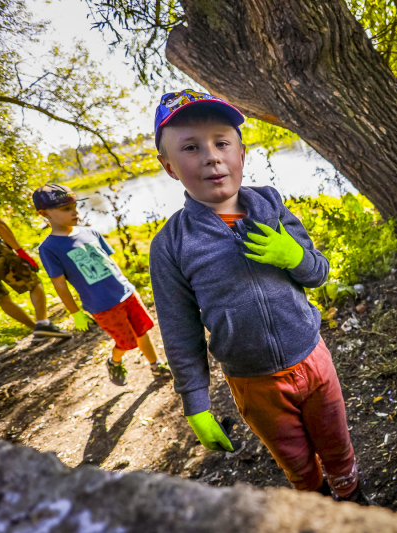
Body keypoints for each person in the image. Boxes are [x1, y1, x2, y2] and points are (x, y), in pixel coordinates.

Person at [149, 90, 369, 503]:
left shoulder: (269, 204)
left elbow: (318, 272)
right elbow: (180, 331)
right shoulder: (171, 245)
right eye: (191, 148)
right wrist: (195, 401)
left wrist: (295, 255)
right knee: (299, 465)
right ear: (169, 167)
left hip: (313, 359)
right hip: (254, 384)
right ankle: (319, 509)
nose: (211, 157)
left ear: (241, 154)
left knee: (338, 449)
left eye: (221, 142)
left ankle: (356, 502)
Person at [34, 184, 171, 385]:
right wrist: (75, 312)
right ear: (44, 213)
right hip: (103, 306)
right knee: (127, 342)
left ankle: (156, 365)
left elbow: (110, 263)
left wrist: (127, 285)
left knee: (142, 331)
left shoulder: (90, 232)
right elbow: (59, 285)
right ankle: (114, 361)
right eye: (65, 209)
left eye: (74, 206)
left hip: (127, 294)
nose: (74, 212)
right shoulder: (49, 248)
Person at [0, 184, 70, 338]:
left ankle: (36, 328)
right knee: (33, 281)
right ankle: (42, 324)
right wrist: (21, 252)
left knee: (0, 297)